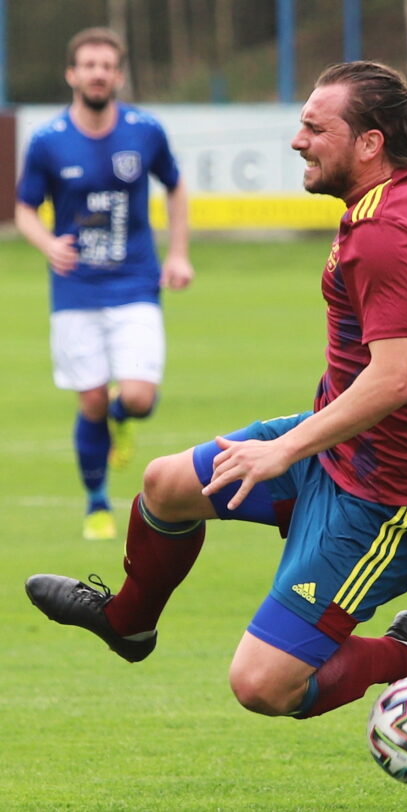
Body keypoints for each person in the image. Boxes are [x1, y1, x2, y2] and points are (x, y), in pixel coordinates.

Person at [25, 61, 407, 720]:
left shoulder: (384, 234)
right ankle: (128, 624)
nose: (298, 141)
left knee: (262, 686)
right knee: (165, 487)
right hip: (341, 442)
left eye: (315, 129)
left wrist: (284, 450)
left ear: (370, 142)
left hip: (388, 494)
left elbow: (395, 379)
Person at [15, 27, 194, 541]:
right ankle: (96, 502)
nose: (97, 72)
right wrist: (47, 243)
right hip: (74, 289)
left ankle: (122, 420)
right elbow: (24, 208)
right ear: (72, 74)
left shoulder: (145, 131)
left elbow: (176, 187)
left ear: (118, 74)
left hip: (135, 282)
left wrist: (178, 253)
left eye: (107, 65)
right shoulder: (48, 141)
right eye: (88, 64)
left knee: (137, 397)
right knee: (89, 399)